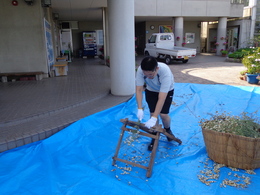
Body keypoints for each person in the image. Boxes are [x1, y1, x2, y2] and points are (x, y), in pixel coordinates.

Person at [135, 56, 175, 151]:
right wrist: (140, 108)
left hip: (166, 91)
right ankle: (154, 137)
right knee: (153, 113)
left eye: (151, 74)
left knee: (163, 115)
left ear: (156, 69)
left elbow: (161, 97)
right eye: (146, 75)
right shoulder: (141, 70)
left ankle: (168, 129)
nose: (148, 77)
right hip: (151, 90)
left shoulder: (165, 71)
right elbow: (139, 89)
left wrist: (154, 118)